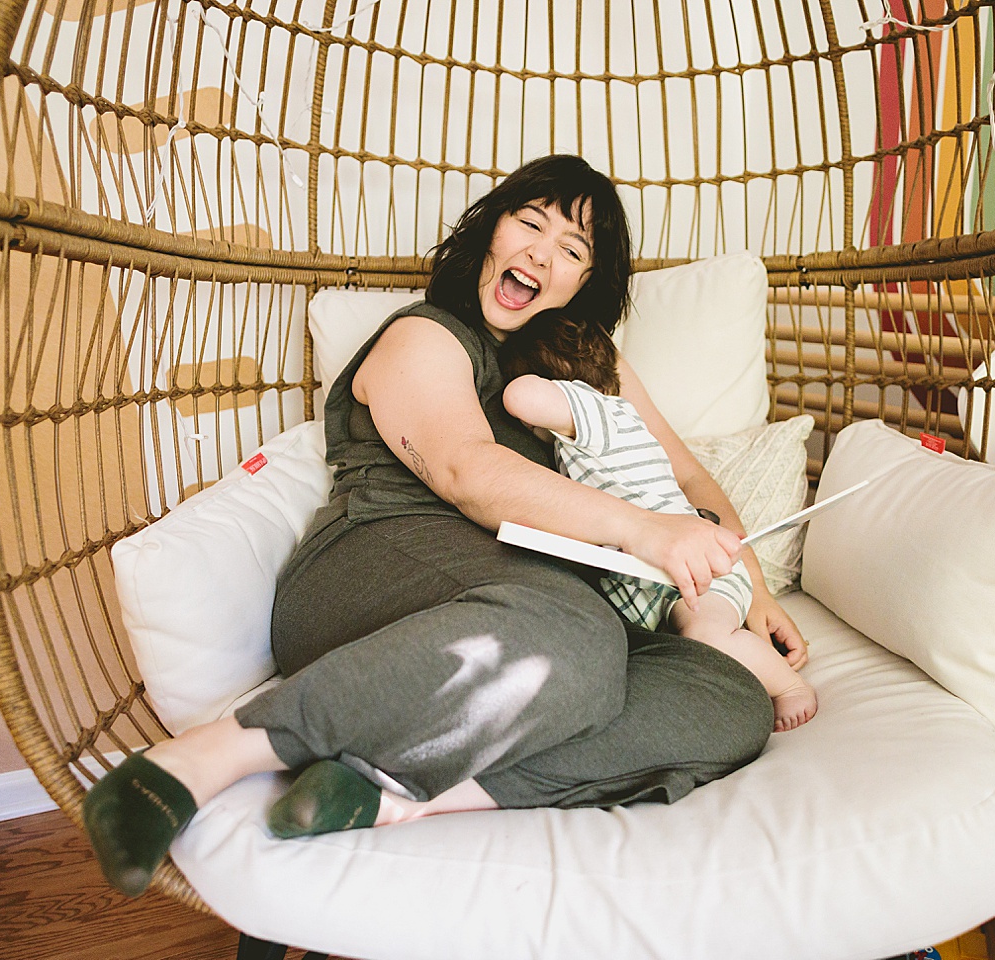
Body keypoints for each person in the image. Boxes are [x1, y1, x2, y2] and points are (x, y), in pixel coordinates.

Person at [82, 154, 796, 899]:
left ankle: (380, 794)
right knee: (577, 639)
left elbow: (685, 475)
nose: (540, 252)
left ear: (583, 285)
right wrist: (643, 531)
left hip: (532, 599)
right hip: (370, 572)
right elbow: (466, 469)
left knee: (726, 697)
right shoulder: (424, 335)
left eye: (572, 250)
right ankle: (198, 762)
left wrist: (754, 586)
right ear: (491, 229)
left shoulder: (586, 367)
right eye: (529, 222)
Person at [498, 313, 816, 732]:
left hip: (699, 576)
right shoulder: (599, 435)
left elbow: (519, 398)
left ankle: (790, 687)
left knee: (704, 635)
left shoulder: (597, 414)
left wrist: (521, 383)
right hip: (660, 589)